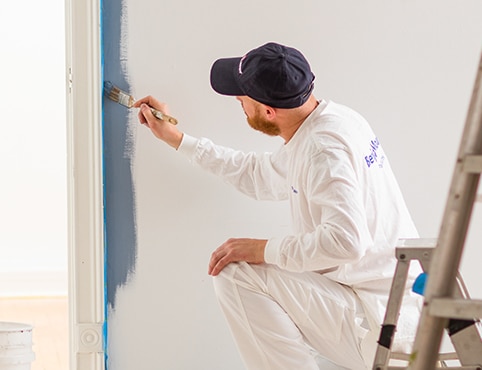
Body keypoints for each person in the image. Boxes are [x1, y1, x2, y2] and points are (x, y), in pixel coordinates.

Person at [133, 42, 422, 370]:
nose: (238, 102)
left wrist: (263, 250)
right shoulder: (332, 121)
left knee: (236, 274)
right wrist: (178, 139)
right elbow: (259, 175)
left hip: (384, 325)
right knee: (242, 268)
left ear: (269, 112)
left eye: (243, 97)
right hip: (386, 305)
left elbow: (347, 241)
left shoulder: (321, 150)